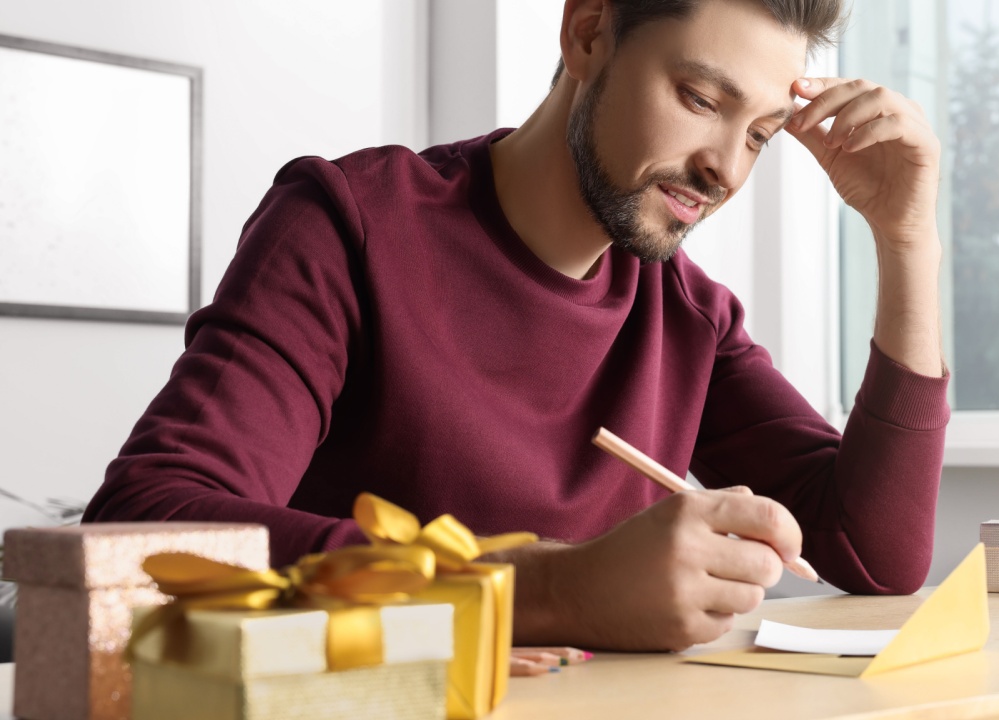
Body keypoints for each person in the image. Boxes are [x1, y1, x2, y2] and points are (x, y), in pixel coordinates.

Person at [84, 0, 949, 652]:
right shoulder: (350, 226)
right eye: (697, 97)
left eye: (759, 135)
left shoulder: (685, 313)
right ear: (587, 32)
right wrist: (551, 590)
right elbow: (141, 531)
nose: (723, 167)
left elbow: (875, 553)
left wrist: (905, 238)